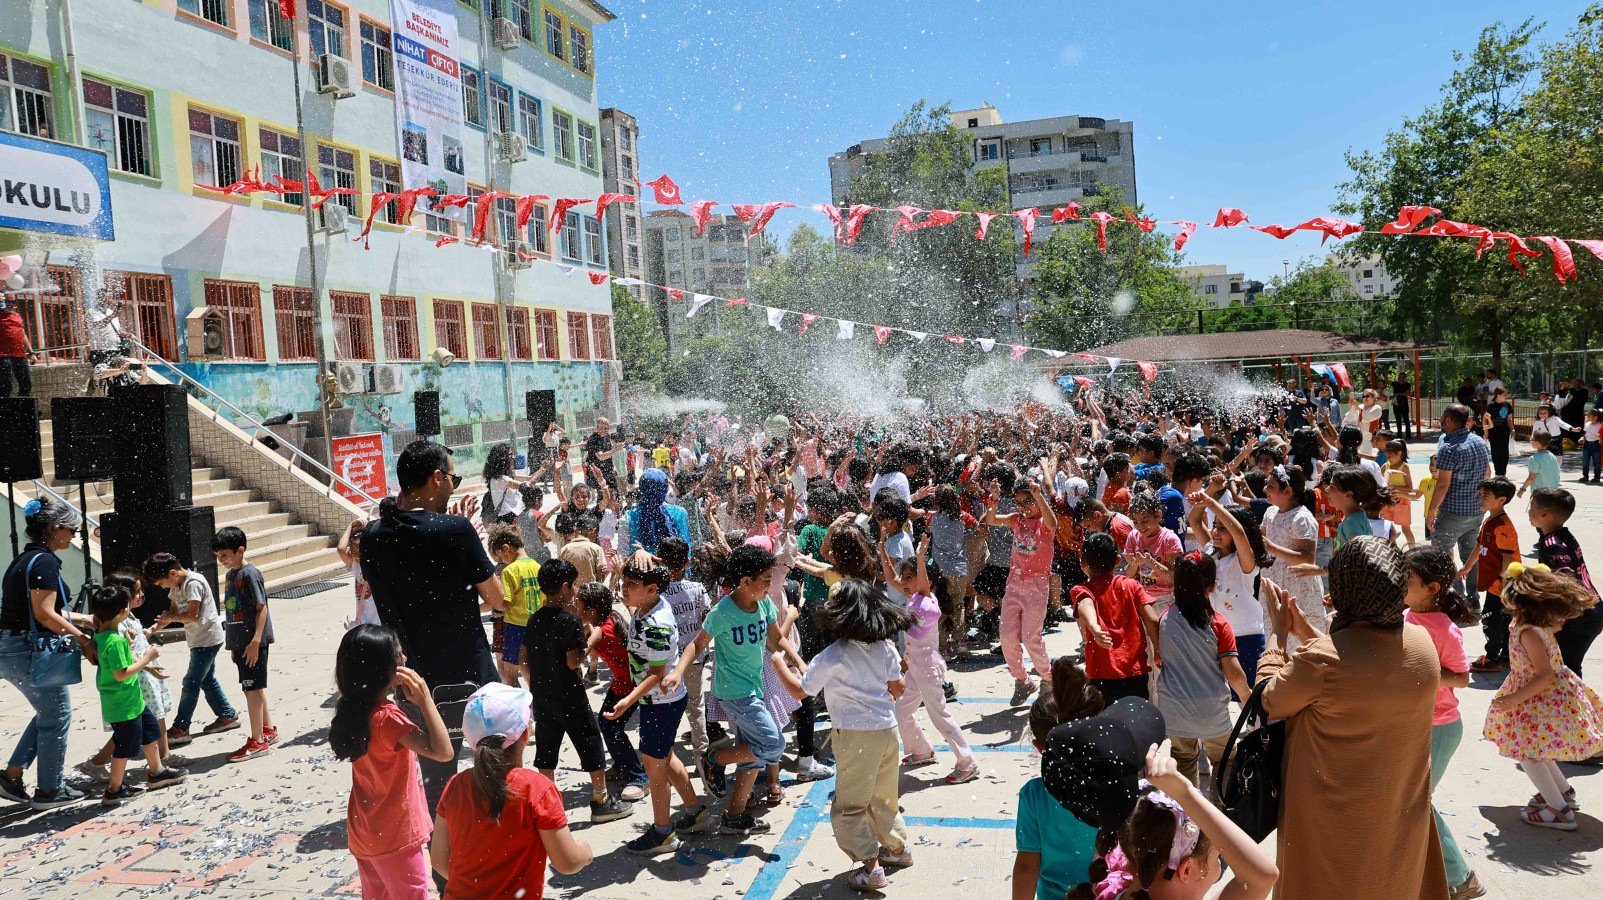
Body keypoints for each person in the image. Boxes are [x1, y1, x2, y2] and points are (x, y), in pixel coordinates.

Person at [1257, 537, 1448, 899]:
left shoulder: (1320, 662)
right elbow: (1365, 667)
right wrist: (1309, 634)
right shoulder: (1422, 643)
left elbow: (1268, 700)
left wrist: (1278, 635)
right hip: (1395, 814)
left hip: (1331, 823)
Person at [361, 441, 505, 812]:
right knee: (495, 766)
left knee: (436, 779)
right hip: (470, 674)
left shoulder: (372, 537)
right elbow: (497, 598)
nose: (453, 488)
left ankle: (442, 845)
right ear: (437, 477)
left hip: (414, 680)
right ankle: (493, 833)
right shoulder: (454, 530)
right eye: (453, 479)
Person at [772, 579, 916, 892]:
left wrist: (778, 664)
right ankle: (898, 848)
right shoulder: (885, 647)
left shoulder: (832, 655)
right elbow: (898, 688)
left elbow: (800, 691)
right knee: (883, 797)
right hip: (887, 731)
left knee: (850, 805)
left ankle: (871, 868)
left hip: (855, 736)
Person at [665, 543, 785, 836]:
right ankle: (713, 759)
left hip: (755, 688)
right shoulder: (722, 611)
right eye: (765, 580)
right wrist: (678, 671)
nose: (770, 586)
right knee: (773, 744)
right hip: (734, 693)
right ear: (746, 581)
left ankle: (734, 816)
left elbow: (776, 640)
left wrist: (801, 666)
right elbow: (697, 644)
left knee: (752, 754)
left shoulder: (763, 604)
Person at [431, 682, 593, 898]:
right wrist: (585, 850)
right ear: (525, 734)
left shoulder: (455, 786)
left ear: (470, 740)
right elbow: (568, 862)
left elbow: (441, 862)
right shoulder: (536, 788)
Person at [331, 624, 453, 900]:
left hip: (366, 831)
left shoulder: (355, 708)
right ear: (382, 668)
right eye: (398, 654)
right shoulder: (387, 718)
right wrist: (425, 700)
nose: (405, 658)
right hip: (395, 835)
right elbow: (443, 752)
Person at [603, 557, 714, 855]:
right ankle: (695, 811)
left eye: (630, 585)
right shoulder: (648, 603)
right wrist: (635, 559)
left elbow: (656, 674)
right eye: (623, 582)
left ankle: (663, 833)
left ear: (652, 589)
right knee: (665, 757)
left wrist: (627, 701)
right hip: (659, 701)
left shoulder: (657, 624)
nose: (623, 589)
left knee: (655, 770)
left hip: (660, 703)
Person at [1482, 563, 1603, 831]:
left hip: (1539, 699)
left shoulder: (1528, 632)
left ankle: (1559, 812)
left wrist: (1513, 699)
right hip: (1546, 696)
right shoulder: (1533, 625)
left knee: (1528, 753)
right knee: (1537, 749)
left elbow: (1544, 675)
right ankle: (1563, 794)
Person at [1400, 548, 1483, 899]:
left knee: (1417, 802)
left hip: (1438, 728)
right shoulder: (1405, 615)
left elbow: (1462, 678)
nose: (1399, 583)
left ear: (1432, 588)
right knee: (1407, 800)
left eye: (1407, 579)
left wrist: (1419, 670)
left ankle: (1461, 878)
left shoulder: (1444, 629)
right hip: (1413, 724)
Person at [0, 498, 92, 810]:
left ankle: (12, 775)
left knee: (48, 712)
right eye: (71, 530)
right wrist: (83, 639)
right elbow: (43, 614)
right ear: (54, 528)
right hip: (26, 649)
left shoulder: (26, 558)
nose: (74, 536)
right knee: (58, 714)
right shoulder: (45, 563)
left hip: (12, 647)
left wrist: (84, 619)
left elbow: (45, 609)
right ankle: (50, 790)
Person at [526, 560, 632, 823]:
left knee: (546, 749)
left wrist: (535, 685)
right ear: (564, 587)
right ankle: (602, 801)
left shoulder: (535, 618)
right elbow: (573, 661)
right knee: (590, 742)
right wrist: (592, 639)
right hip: (569, 695)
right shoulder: (570, 620)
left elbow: (523, 658)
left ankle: (547, 804)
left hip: (542, 695)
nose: (575, 591)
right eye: (574, 585)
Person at [1107, 741, 1280, 900]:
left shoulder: (1109, 888)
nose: (1219, 862)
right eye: (1217, 857)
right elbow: (1261, 877)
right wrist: (1186, 795)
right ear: (1187, 869)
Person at [885, 534, 978, 785]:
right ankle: (921, 750)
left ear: (926, 580)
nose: (904, 582)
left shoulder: (926, 602)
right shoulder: (912, 598)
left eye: (910, 578)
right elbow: (890, 578)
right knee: (902, 710)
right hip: (915, 669)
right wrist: (882, 549)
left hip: (927, 669)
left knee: (940, 716)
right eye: (904, 577)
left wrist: (920, 557)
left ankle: (967, 762)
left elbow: (921, 586)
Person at [76, 572, 186, 782]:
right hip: (125, 700)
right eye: (135, 593)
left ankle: (157, 771)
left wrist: (146, 662)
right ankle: (114, 788)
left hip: (133, 698)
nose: (141, 595)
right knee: (124, 743)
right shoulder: (115, 639)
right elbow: (121, 673)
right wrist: (146, 660)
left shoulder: (107, 634)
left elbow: (122, 658)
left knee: (149, 732)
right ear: (122, 609)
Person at [1153, 554, 1250, 787]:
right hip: (1211, 711)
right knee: (1225, 761)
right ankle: (1218, 806)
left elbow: (1161, 660)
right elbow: (1234, 673)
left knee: (1183, 758)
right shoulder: (1217, 624)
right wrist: (1247, 696)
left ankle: (1187, 808)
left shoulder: (1164, 620)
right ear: (1212, 585)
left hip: (1174, 711)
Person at [1013, 660, 1105, 900]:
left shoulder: (1034, 795)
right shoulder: (1116, 784)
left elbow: (1027, 865)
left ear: (1039, 747)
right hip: (1110, 893)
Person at [145, 552, 239, 747]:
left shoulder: (193, 583)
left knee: (191, 682)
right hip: (197, 639)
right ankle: (227, 715)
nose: (163, 587)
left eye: (162, 583)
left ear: (172, 573)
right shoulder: (176, 585)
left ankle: (181, 727)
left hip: (207, 640)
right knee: (206, 679)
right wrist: (153, 629)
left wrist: (170, 618)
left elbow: (192, 615)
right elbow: (172, 613)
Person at [981, 476, 1058, 705]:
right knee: (1006, 637)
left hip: (1036, 585)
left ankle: (1048, 679)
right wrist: (994, 499)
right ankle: (1022, 680)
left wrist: (1038, 496)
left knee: (1031, 638)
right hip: (1014, 583)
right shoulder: (1017, 520)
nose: (1023, 507)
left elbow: (1053, 522)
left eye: (1028, 501)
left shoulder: (1044, 524)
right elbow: (991, 520)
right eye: (1019, 502)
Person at [576, 581, 647, 804]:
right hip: (624, 681)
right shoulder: (609, 618)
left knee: (611, 726)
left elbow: (577, 657)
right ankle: (623, 764)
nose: (575, 607)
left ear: (591, 610)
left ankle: (639, 776)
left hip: (629, 685)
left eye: (578, 605)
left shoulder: (600, 630)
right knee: (607, 724)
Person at [214, 526, 277, 762]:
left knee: (251, 688)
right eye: (218, 556)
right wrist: (234, 645)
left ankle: (257, 741)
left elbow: (262, 608)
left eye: (224, 555)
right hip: (241, 642)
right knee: (254, 687)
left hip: (253, 643)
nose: (221, 560)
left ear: (240, 550)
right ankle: (267, 729)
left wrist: (255, 641)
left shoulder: (250, 574)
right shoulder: (231, 575)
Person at [1071, 533, 1157, 703]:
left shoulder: (1083, 589)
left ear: (1083, 563)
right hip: (1135, 671)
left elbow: (1085, 603)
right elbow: (1152, 620)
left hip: (1101, 674)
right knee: (1135, 716)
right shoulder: (1131, 585)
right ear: (1117, 561)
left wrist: (1094, 627)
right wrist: (1159, 650)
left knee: (1106, 718)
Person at [1527, 488, 1603, 676]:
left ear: (1545, 514)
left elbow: (1566, 579)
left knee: (1565, 669)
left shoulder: (1552, 544)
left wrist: (1558, 617)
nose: (1528, 510)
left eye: (1532, 506)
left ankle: (1574, 696)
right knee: (1564, 666)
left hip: (1579, 616)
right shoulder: (1564, 536)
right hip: (1590, 611)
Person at [1427, 405, 1493, 609]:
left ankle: (1456, 601)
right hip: (1476, 511)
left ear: (1448, 420)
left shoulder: (1448, 447)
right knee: (1470, 556)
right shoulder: (1480, 442)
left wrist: (1431, 511)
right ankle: (1473, 599)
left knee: (1443, 556)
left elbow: (1442, 485)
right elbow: (1488, 474)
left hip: (1452, 513)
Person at [1466, 478, 1519, 674]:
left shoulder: (1503, 526)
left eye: (1486, 496)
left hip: (1500, 584)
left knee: (1491, 619)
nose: (1480, 499)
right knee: (1503, 620)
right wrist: (1467, 567)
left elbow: (1508, 558)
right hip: (1495, 583)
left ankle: (1492, 658)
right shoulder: (1489, 520)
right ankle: (1506, 657)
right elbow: (1480, 545)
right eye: (1480, 495)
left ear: (1501, 500)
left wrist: (1504, 584)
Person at [490, 525, 541, 688]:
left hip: (515, 628)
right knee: (533, 671)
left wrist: (493, 605)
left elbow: (505, 603)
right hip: (537, 626)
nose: (502, 560)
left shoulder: (509, 571)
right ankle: (538, 701)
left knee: (509, 673)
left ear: (506, 548)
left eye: (500, 556)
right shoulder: (537, 566)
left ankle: (520, 702)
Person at [627, 468, 689, 555]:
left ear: (641, 488)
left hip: (640, 563)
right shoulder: (680, 513)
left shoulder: (629, 516)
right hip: (673, 563)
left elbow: (624, 554)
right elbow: (686, 550)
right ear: (666, 488)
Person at [337, 519, 380, 628]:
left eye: (360, 551)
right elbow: (341, 549)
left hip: (380, 622)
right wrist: (350, 525)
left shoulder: (377, 564)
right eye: (354, 551)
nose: (357, 555)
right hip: (363, 623)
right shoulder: (355, 566)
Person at [1381, 440, 1418, 547]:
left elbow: (1409, 488)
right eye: (1387, 456)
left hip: (1402, 501)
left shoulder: (1404, 467)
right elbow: (1381, 483)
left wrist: (1394, 488)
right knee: (1387, 528)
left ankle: (1412, 550)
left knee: (1405, 529)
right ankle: (1392, 549)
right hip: (1387, 501)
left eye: (1391, 456)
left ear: (1400, 454)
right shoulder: (1385, 466)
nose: (1388, 458)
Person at [0, 295, 37, 397]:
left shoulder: (16, 315)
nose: (10, 304)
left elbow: (23, 334)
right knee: (5, 386)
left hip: (19, 355)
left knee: (26, 384)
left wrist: (31, 353)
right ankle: (4, 406)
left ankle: (23, 405)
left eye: (12, 302)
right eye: (7, 302)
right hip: (3, 356)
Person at [481, 444, 526, 526]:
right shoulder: (501, 479)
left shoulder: (504, 477)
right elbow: (524, 487)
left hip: (510, 516)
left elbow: (530, 480)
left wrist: (543, 469)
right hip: (507, 518)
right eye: (510, 455)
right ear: (501, 459)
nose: (513, 457)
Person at [1480, 388, 1514, 477]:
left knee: (1504, 454)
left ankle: (1503, 473)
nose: (1506, 397)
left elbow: (1509, 419)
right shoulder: (1491, 406)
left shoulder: (1507, 405)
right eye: (1504, 395)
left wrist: (1512, 429)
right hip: (1494, 433)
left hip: (1504, 432)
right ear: (1498, 395)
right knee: (1496, 453)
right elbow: (1484, 419)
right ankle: (1498, 473)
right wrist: (1486, 432)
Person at [1581, 408, 1602, 484]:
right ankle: (1585, 476)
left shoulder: (1600, 425)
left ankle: (1597, 477)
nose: (1587, 416)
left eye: (1589, 415)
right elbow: (1585, 433)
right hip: (1587, 444)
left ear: (1596, 417)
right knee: (1585, 461)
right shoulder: (1587, 424)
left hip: (1596, 444)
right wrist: (1582, 438)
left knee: (1596, 462)